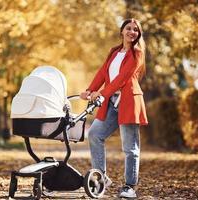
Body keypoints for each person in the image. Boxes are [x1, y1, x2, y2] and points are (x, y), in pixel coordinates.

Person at [80, 18, 148, 198]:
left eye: (135, 30)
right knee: (95, 134)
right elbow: (103, 72)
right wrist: (90, 90)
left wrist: (101, 93)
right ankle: (101, 178)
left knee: (130, 147)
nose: (132, 32)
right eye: (128, 28)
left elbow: (122, 78)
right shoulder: (114, 52)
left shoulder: (137, 53)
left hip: (129, 102)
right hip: (112, 102)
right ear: (122, 31)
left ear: (138, 34)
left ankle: (129, 187)